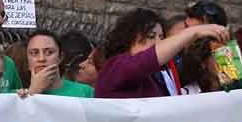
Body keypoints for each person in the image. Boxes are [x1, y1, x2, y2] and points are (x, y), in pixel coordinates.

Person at [94, 8, 228, 99]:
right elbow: (145, 60)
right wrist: (192, 32)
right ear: (128, 38)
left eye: (161, 37)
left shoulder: (160, 75)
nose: (158, 42)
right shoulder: (115, 67)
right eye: (151, 36)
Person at [19, 30, 94, 98]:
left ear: (60, 57)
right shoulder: (17, 96)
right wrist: (33, 91)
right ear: (27, 60)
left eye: (49, 52)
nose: (41, 59)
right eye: (34, 53)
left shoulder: (86, 92)